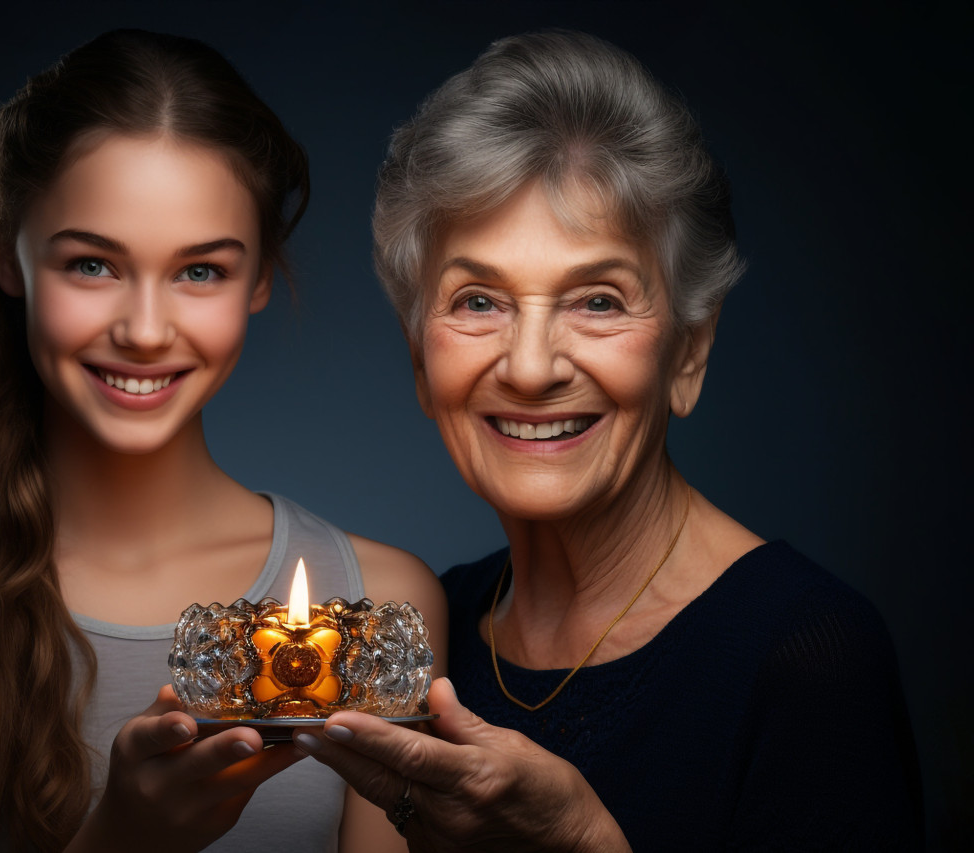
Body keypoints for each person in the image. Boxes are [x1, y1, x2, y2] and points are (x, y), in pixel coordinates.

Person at [0, 29, 446, 853]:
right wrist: (124, 837)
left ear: (257, 279)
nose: (145, 330)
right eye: (93, 266)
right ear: (9, 254)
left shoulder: (383, 599)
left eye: (200, 270)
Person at [291, 30, 922, 850]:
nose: (528, 367)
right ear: (420, 357)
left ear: (689, 350)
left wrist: (587, 841)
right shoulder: (423, 631)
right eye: (478, 300)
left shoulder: (806, 657)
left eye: (597, 300)